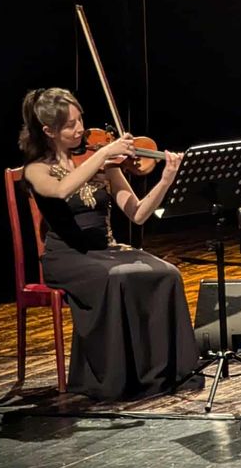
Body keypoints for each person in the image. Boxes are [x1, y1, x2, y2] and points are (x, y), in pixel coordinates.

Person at [19, 87, 201, 401]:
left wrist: (166, 178)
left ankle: (162, 373)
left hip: (105, 250)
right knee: (115, 278)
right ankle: (116, 380)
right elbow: (62, 190)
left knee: (167, 273)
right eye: (70, 125)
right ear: (48, 131)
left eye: (81, 120)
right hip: (67, 257)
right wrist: (104, 154)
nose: (80, 130)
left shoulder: (103, 163)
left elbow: (138, 214)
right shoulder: (37, 170)